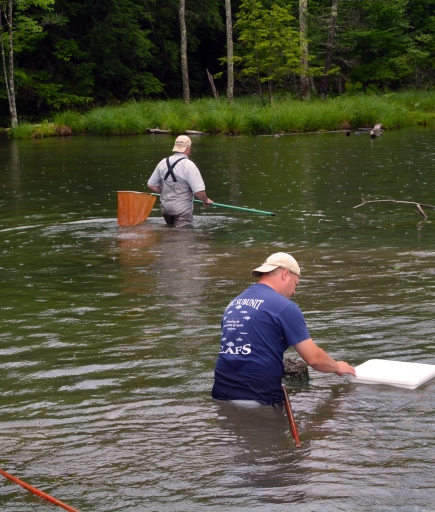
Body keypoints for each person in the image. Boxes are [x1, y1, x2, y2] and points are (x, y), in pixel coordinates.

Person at [212, 252, 356, 405]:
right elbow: (315, 359)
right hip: (259, 396)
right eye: (296, 284)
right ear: (285, 274)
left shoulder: (234, 303)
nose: (294, 291)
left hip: (221, 393)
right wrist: (337, 367)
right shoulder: (284, 306)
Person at [147, 134, 213, 227]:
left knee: (170, 237)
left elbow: (151, 185)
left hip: (166, 210)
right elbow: (198, 192)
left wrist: (168, 191)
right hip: (182, 211)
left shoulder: (163, 162)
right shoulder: (188, 165)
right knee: (183, 238)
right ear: (188, 148)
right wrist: (206, 200)